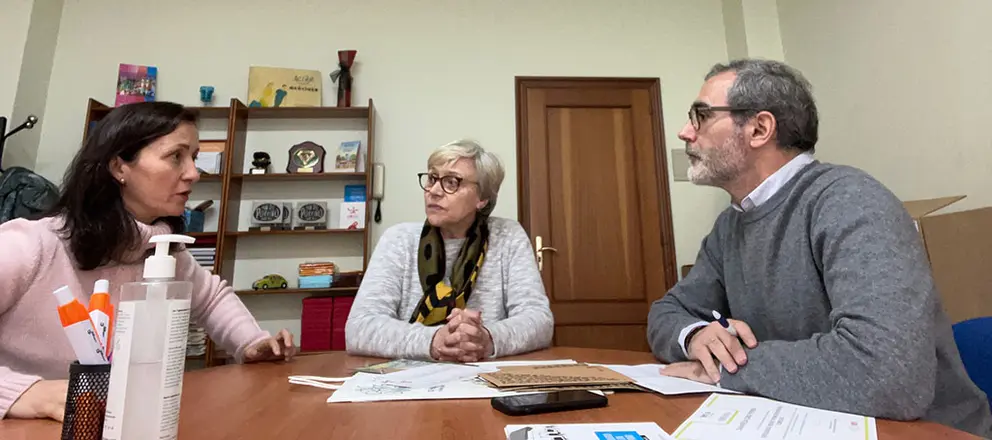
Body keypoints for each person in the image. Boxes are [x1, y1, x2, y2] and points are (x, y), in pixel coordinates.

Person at [647, 59, 992, 436]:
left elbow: (889, 374)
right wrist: (695, 335)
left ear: (760, 129)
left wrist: (727, 367)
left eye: (701, 116)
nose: (685, 132)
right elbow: (668, 311)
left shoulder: (851, 201)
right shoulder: (729, 227)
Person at [0, 102, 297, 422]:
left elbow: (211, 298)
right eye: (176, 157)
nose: (194, 173)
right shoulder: (28, 244)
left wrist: (251, 343)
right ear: (119, 167)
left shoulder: (164, 250)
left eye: (194, 158)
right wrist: (23, 391)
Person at [346, 139, 553, 362]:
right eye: (432, 178)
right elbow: (360, 327)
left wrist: (487, 339)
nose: (434, 191)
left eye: (452, 182)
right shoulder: (398, 239)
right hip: (410, 377)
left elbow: (539, 320)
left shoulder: (507, 236)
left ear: (482, 198)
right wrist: (434, 340)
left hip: (485, 375)